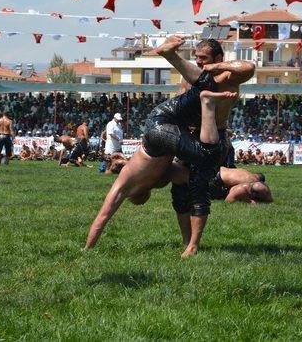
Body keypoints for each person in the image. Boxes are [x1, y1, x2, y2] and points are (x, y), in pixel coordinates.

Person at [83, 37, 254, 258]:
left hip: (209, 135)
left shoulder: (230, 75)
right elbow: (178, 109)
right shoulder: (189, 79)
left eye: (204, 59)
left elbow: (249, 67)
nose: (200, 63)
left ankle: (193, 244)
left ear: (218, 58)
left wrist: (217, 67)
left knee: (198, 184)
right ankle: (187, 241)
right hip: (183, 136)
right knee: (182, 192)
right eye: (197, 59)